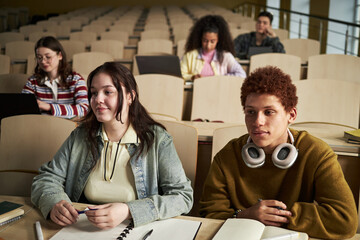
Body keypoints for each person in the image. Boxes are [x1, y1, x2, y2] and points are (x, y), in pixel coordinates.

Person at [199, 66, 358, 239]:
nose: (258, 121)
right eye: (250, 112)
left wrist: (277, 216)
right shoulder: (227, 155)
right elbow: (209, 213)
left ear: (291, 115)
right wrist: (244, 216)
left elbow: (345, 220)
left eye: (269, 112)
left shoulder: (317, 153)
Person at [31, 62, 193, 229]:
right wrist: (54, 203)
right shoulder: (80, 136)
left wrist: (129, 210)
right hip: (82, 227)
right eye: (94, 93)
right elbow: (46, 179)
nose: (98, 99)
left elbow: (182, 197)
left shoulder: (158, 139)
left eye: (108, 92)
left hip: (136, 227)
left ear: (130, 96)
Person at [22, 36, 88, 118]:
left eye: (48, 57)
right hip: (41, 126)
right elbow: (23, 109)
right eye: (39, 57)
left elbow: (84, 109)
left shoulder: (76, 80)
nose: (43, 61)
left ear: (59, 55)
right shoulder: (32, 81)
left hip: (69, 127)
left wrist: (49, 107)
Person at [181, 15, 246, 81]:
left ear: (218, 40)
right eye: (205, 41)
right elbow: (180, 74)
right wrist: (192, 77)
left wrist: (220, 78)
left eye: (212, 41)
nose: (208, 46)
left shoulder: (226, 56)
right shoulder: (189, 56)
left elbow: (241, 74)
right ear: (200, 39)